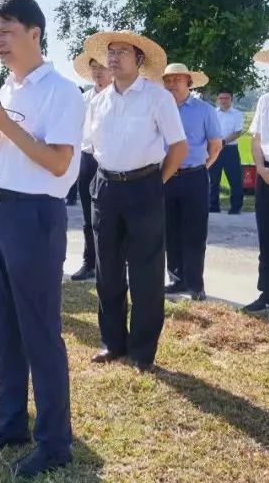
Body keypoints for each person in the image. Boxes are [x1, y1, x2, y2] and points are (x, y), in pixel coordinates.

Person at [0, 0, 85, 479]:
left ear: (35, 33)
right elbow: (6, 149)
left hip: (34, 215)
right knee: (2, 326)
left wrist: (3, 127)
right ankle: (11, 423)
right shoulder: (9, 91)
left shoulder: (62, 91)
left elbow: (58, 162)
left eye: (7, 31)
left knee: (39, 331)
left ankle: (54, 442)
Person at [81, 31, 187, 372]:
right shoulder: (97, 102)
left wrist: (156, 183)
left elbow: (179, 147)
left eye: (122, 51)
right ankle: (112, 341)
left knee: (146, 274)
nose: (113, 57)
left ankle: (142, 351)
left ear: (139, 59)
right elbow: (90, 148)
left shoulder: (157, 97)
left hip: (144, 186)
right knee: (107, 270)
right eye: (110, 52)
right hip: (106, 187)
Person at [161, 63, 221, 301]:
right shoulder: (159, 108)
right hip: (165, 177)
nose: (172, 84)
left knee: (195, 232)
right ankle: (176, 280)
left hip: (194, 176)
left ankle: (195, 284)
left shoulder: (204, 110)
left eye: (177, 79)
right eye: (168, 80)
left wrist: (201, 167)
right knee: (170, 230)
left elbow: (215, 145)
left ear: (189, 82)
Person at [69, 52, 112, 282]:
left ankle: (112, 265)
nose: (97, 72)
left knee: (112, 216)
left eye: (102, 67)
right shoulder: (83, 99)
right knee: (88, 217)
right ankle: (90, 262)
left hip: (112, 161)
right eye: (94, 67)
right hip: (87, 160)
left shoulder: (118, 97)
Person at [244, 47, 269, 313]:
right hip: (266, 173)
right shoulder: (266, 100)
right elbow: (256, 139)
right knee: (267, 237)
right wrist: (260, 168)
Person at [209, 89, 245, 214]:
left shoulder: (237, 114)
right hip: (214, 149)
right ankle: (213, 206)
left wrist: (223, 142)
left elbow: (237, 132)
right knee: (213, 180)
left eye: (226, 98)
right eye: (221, 98)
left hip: (230, 150)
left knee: (235, 180)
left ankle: (235, 207)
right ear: (217, 100)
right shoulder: (212, 113)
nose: (223, 101)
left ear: (231, 99)